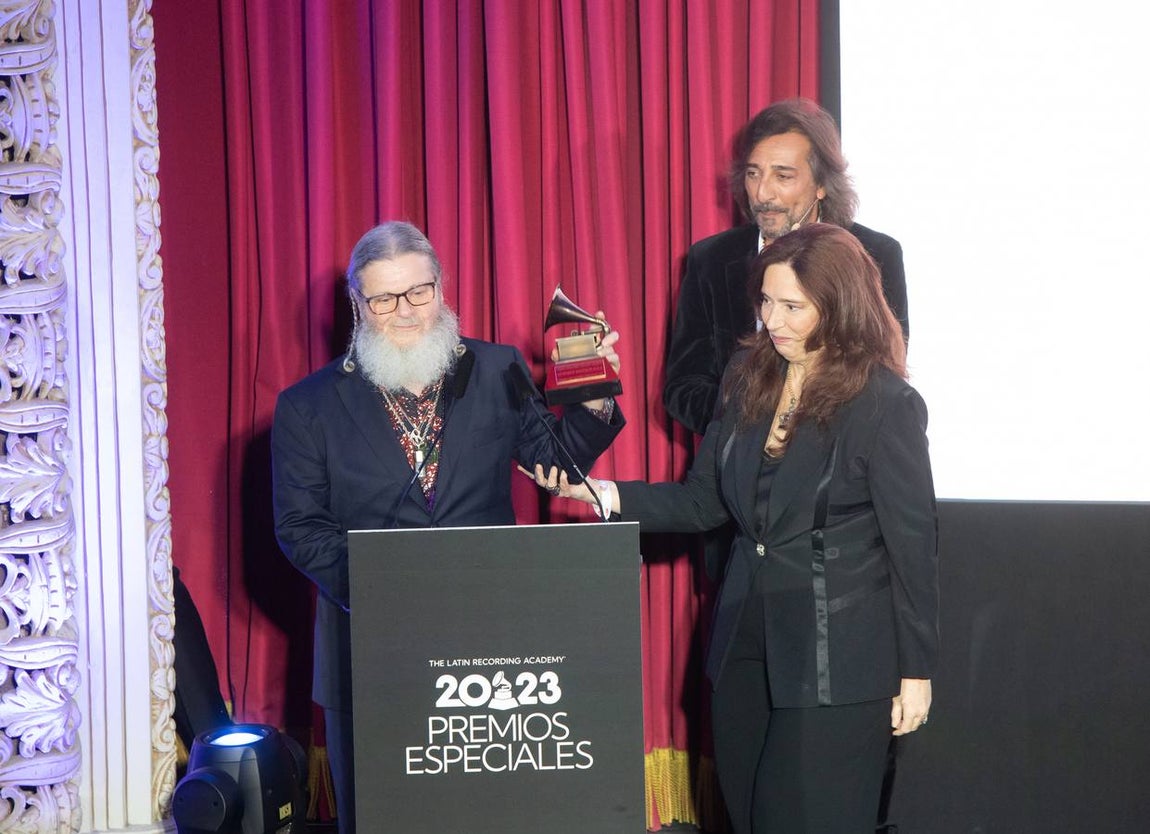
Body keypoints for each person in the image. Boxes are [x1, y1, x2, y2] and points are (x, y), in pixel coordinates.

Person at [532, 224, 938, 834]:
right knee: (747, 818)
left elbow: (914, 547)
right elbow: (703, 503)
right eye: (766, 301)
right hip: (744, 646)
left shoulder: (885, 404)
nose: (772, 320)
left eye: (793, 307)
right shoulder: (747, 374)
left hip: (839, 659)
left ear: (841, 306)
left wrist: (916, 671)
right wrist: (602, 493)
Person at [271, 221, 625, 834]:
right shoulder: (307, 406)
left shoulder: (497, 367)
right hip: (369, 650)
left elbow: (557, 464)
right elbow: (301, 528)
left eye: (419, 291)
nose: (406, 311)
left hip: (492, 648)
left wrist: (595, 396)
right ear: (357, 304)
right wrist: (392, 589)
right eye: (384, 299)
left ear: (441, 287)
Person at [664, 98, 909, 438]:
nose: (763, 193)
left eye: (783, 176)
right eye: (753, 174)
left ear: (821, 185)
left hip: (837, 460)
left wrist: (802, 437)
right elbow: (683, 388)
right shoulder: (711, 260)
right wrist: (752, 429)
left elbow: (884, 376)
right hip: (736, 460)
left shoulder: (876, 254)